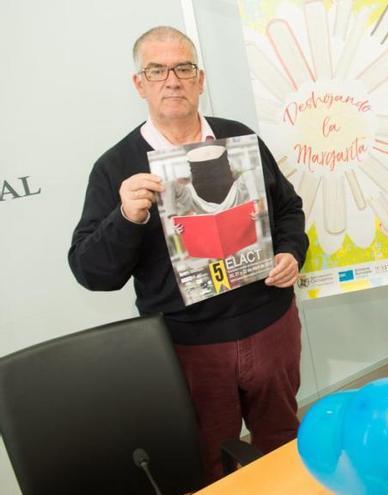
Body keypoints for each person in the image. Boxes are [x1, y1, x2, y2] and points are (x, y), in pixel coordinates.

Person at [68, 26, 309, 483]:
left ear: (200, 79)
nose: (171, 80)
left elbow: (288, 210)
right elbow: (91, 272)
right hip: (189, 347)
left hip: (270, 325)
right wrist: (125, 217)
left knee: (283, 441)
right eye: (156, 70)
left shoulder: (240, 139)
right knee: (208, 462)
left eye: (182, 68)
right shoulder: (116, 166)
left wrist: (292, 252)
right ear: (140, 84)